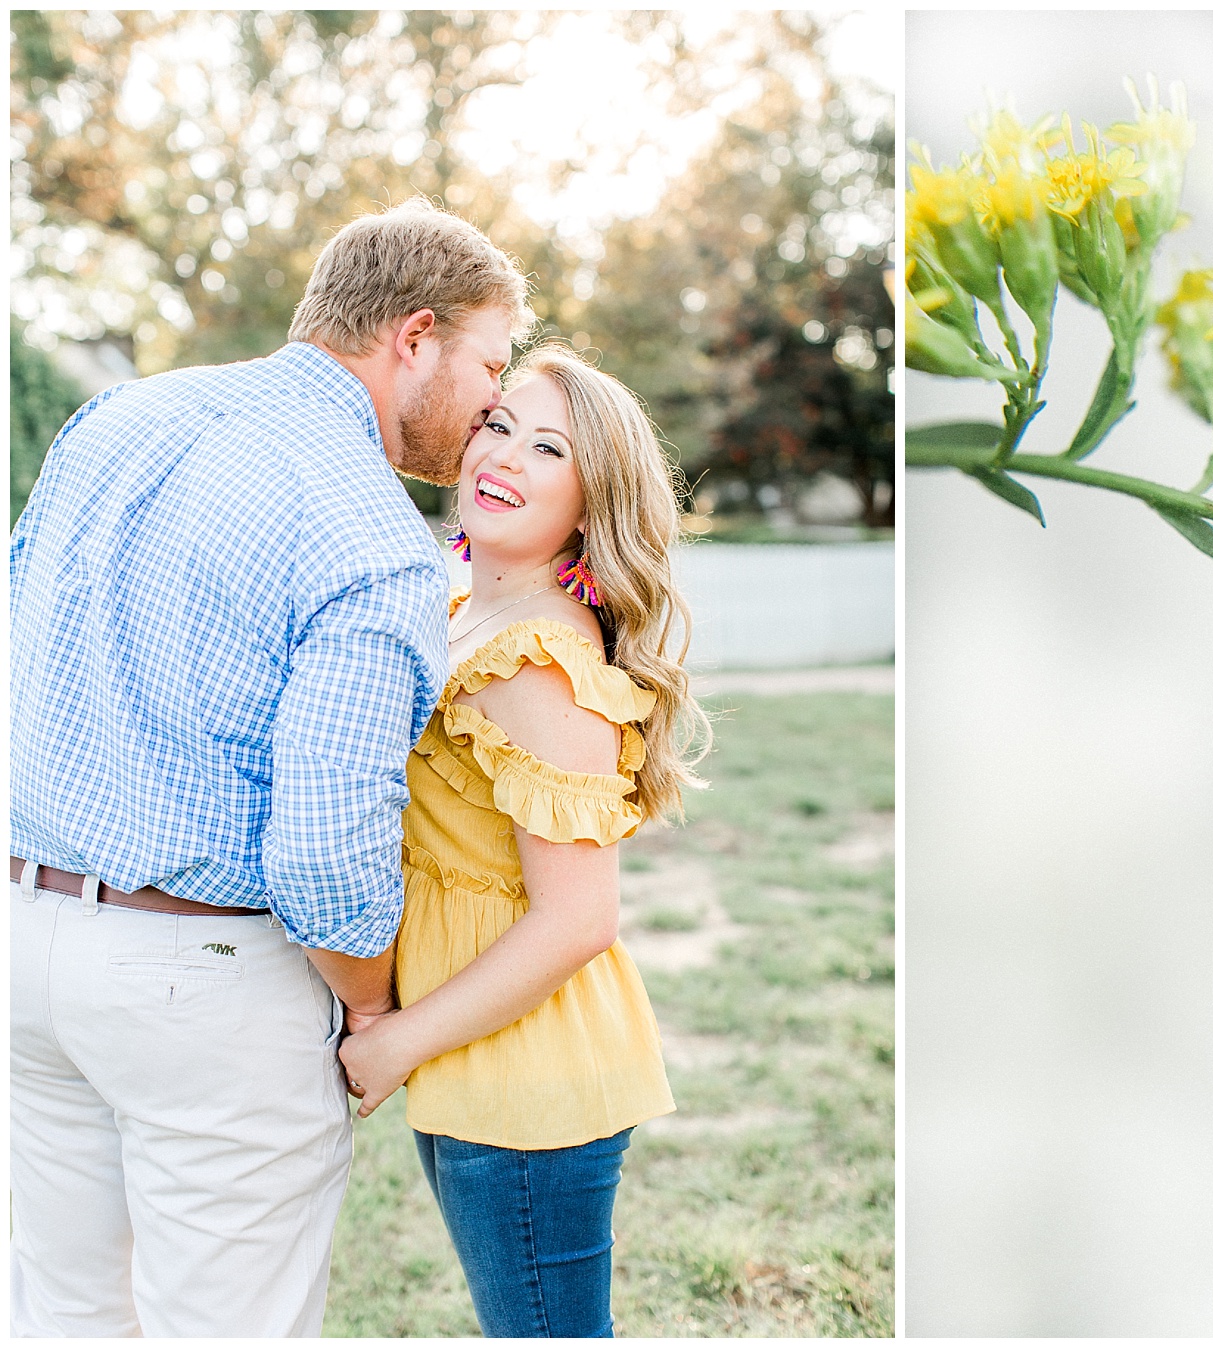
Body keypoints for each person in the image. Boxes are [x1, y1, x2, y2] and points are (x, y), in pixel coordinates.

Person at [9, 198, 534, 1337]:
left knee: (60, 1315)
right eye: (493, 362)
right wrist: (371, 1005)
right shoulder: (368, 531)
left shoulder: (112, 422)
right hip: (204, 980)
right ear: (416, 336)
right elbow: (325, 844)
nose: (498, 397)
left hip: (27, 942)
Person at [336, 342, 708, 1338]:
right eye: (499, 425)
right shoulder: (464, 607)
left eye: (550, 448)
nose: (505, 455)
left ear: (590, 503)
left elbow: (580, 918)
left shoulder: (539, 659)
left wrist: (397, 1041)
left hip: (527, 1078)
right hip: (475, 1058)